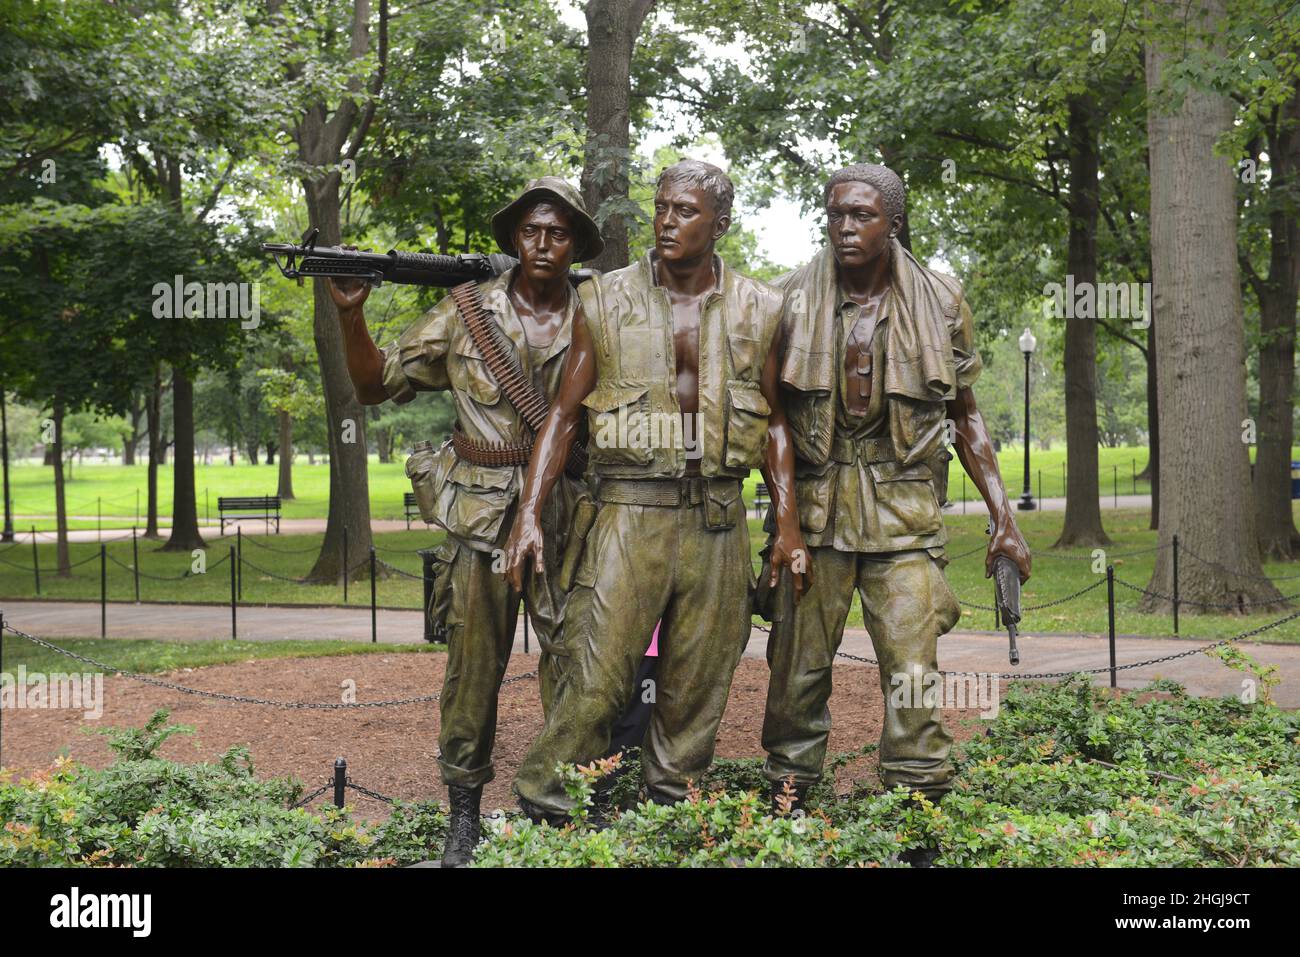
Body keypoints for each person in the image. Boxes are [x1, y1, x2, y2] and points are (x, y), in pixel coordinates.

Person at [503, 159, 810, 820]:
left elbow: (778, 422)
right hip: (627, 513)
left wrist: (786, 526)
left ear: (720, 223)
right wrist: (528, 513)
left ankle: (667, 814)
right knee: (594, 680)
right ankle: (547, 809)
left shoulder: (764, 306)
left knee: (697, 688)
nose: (667, 221)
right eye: (662, 206)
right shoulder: (604, 298)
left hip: (720, 518)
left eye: (685, 211)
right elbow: (563, 413)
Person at [327, 177, 602, 866]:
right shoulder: (464, 313)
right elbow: (373, 385)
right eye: (532, 230)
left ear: (575, 244)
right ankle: (464, 815)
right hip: (479, 518)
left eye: (558, 232)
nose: (543, 243)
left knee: (576, 663)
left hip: (567, 514)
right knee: (472, 669)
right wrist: (350, 316)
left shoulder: (601, 312)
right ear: (514, 238)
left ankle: (559, 803)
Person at [759, 163, 1032, 842]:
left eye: (861, 216)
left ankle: (917, 815)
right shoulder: (788, 298)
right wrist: (785, 523)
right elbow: (770, 418)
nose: (845, 228)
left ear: (893, 223)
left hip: (905, 512)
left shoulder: (940, 300)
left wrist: (1004, 515)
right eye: (835, 215)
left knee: (913, 670)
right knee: (797, 671)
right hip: (816, 516)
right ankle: (786, 807)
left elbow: (965, 415)